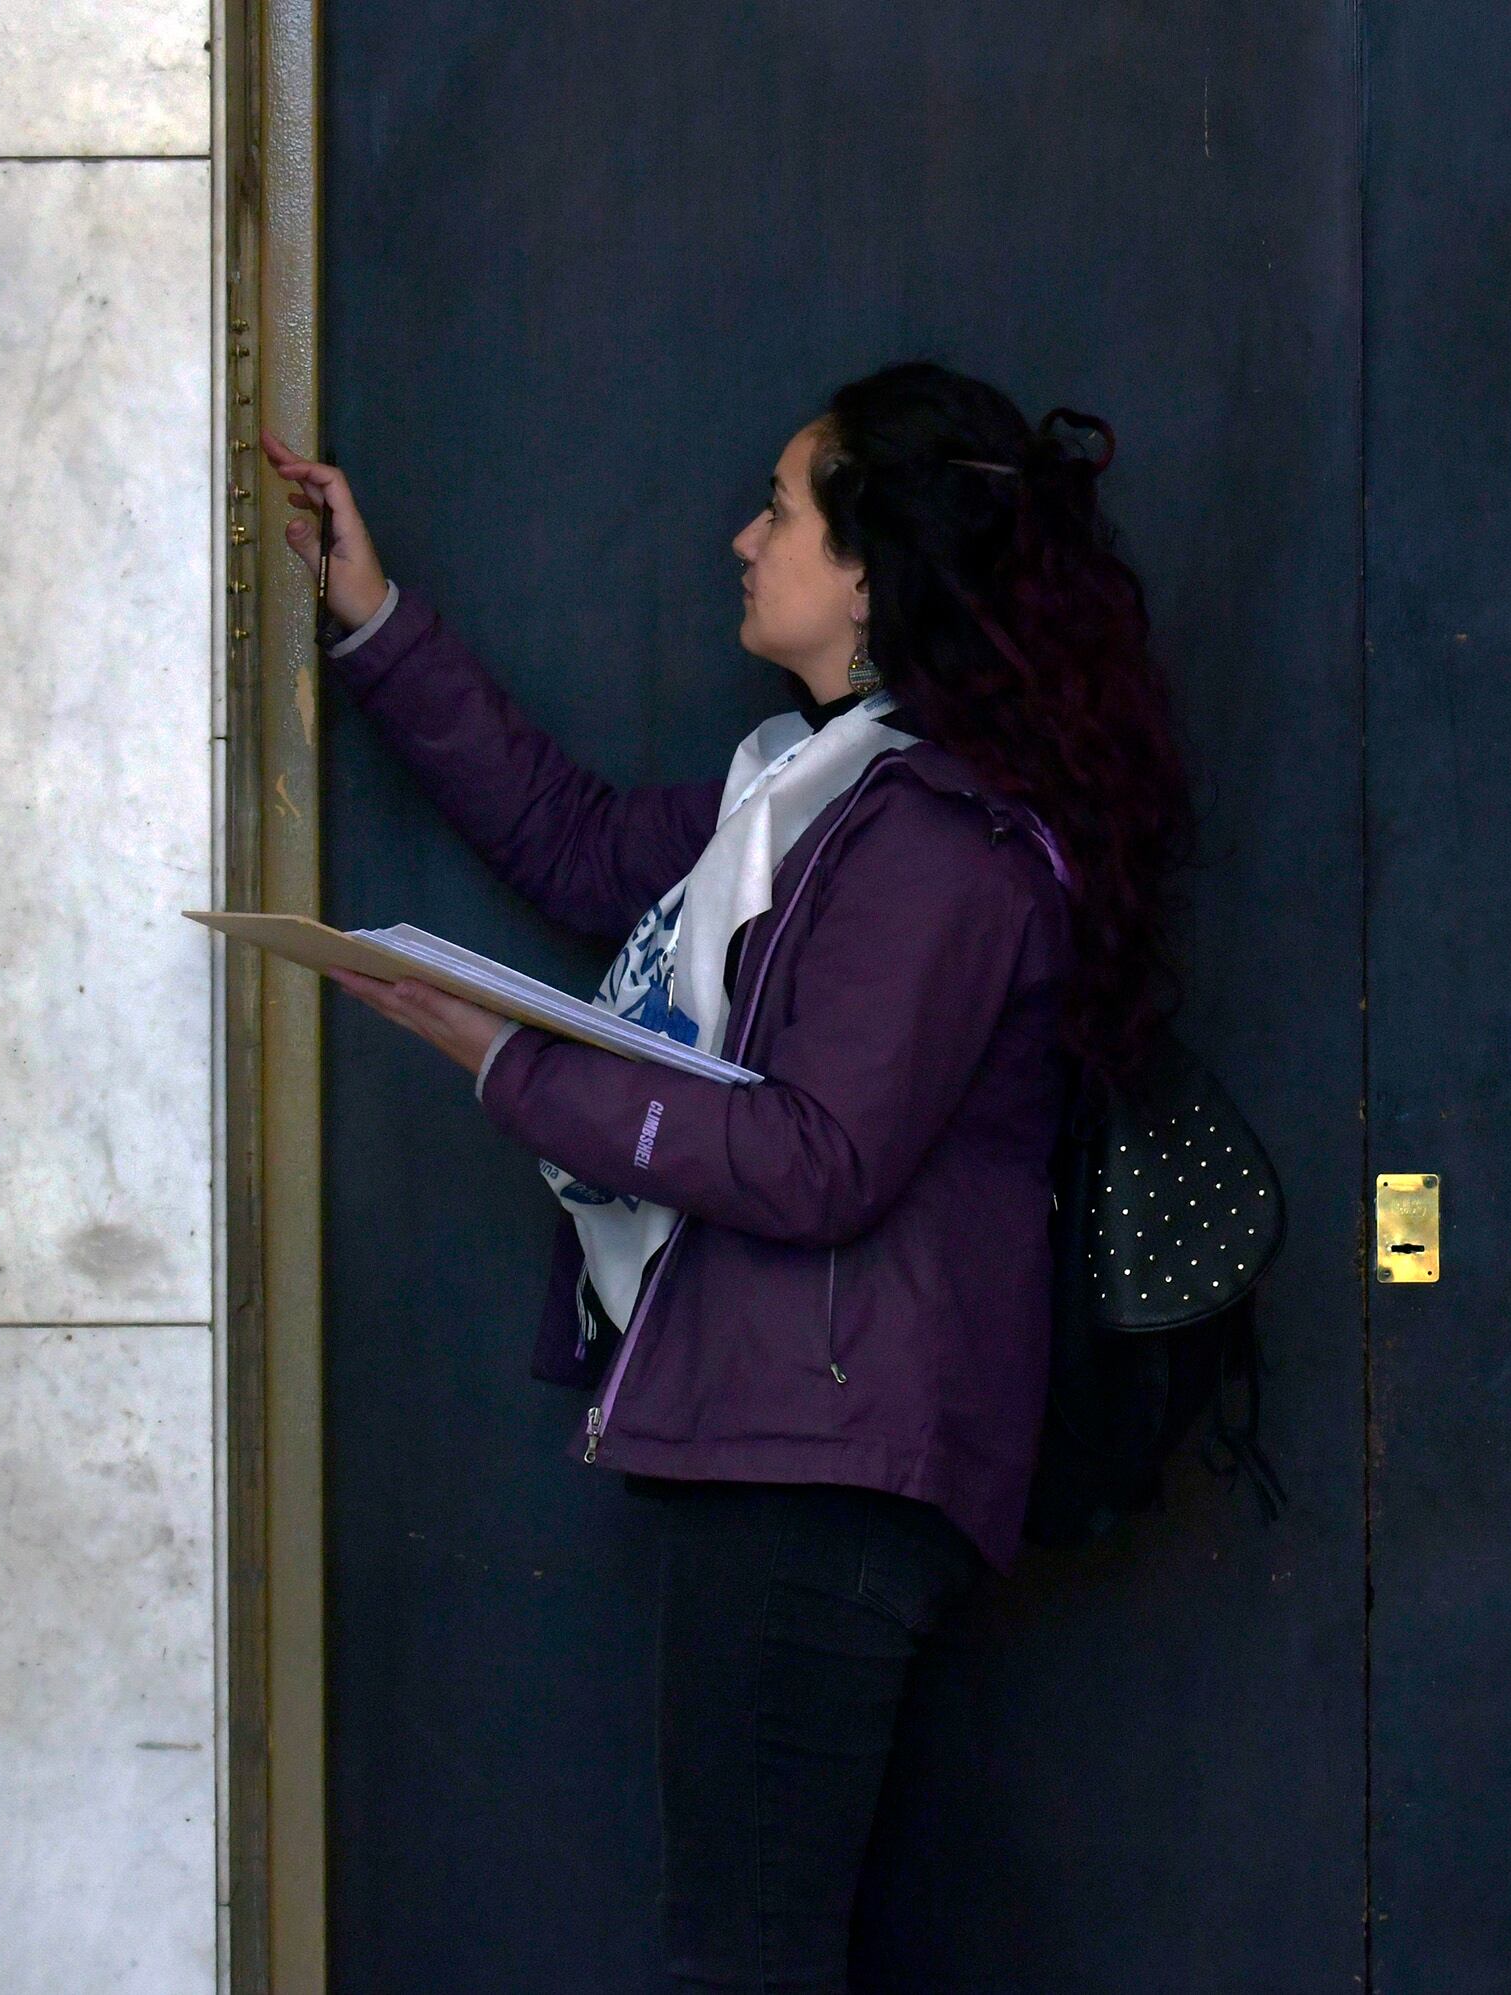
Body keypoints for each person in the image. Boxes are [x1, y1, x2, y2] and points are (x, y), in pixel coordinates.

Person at [260, 361, 1193, 1993]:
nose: (740, 538)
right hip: (793, 1441)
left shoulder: (936, 843)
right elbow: (575, 845)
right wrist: (376, 616)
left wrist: (507, 1064)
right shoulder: (804, 803)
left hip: (827, 1459)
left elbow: (816, 1160)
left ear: (869, 562)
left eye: (779, 507)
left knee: (748, 1958)